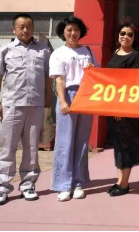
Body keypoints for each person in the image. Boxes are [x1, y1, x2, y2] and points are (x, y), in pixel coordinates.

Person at [0, 14, 51, 206]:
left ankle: (28, 185)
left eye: (29, 26)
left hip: (35, 105)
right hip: (12, 105)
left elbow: (48, 78)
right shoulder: (5, 50)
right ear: (14, 30)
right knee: (8, 147)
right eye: (21, 27)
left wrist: (48, 102)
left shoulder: (44, 51)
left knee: (32, 148)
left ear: (33, 28)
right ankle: (2, 187)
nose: (25, 30)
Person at [49, 16, 99, 202]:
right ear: (63, 32)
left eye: (76, 30)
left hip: (85, 96)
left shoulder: (88, 51)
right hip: (68, 95)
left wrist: (92, 69)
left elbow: (96, 74)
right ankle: (63, 184)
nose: (73, 33)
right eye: (69, 29)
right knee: (65, 141)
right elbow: (59, 79)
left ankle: (78, 183)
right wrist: (63, 101)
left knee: (82, 141)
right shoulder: (58, 53)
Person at [106, 20, 139, 197]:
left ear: (135, 38)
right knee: (118, 145)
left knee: (125, 146)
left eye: (130, 34)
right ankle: (120, 181)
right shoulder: (114, 53)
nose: (125, 37)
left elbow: (132, 86)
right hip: (111, 109)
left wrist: (122, 108)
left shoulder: (136, 57)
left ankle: (124, 183)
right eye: (122, 33)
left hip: (124, 110)